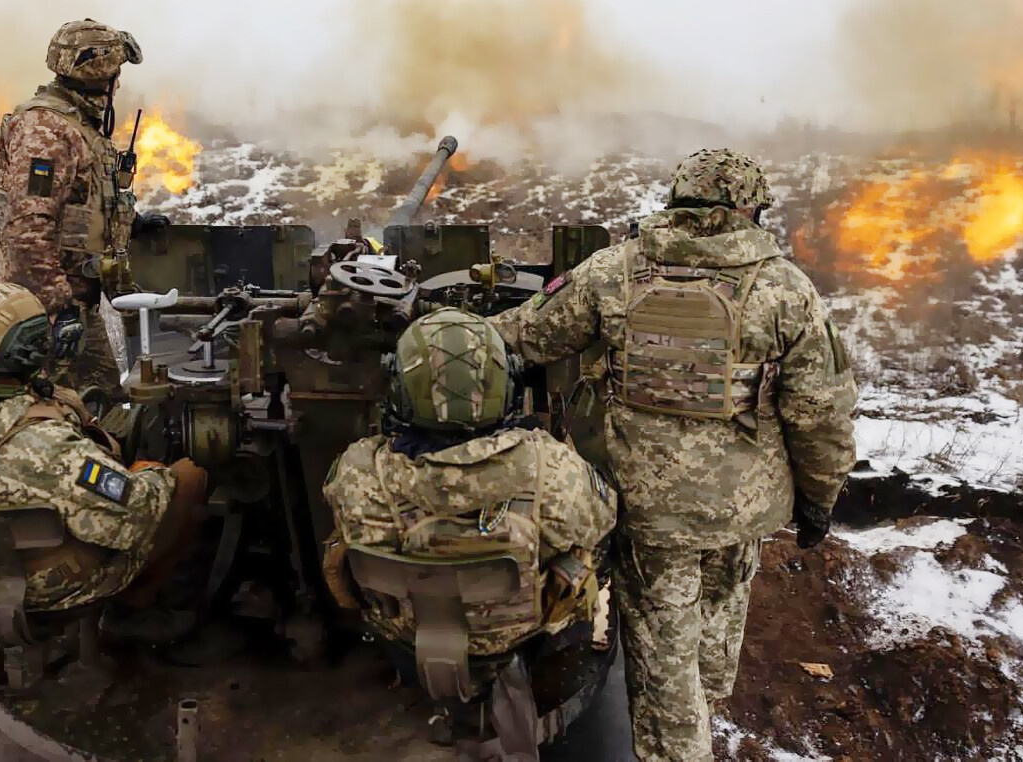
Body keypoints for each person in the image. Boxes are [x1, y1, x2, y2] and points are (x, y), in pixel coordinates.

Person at [488, 148, 858, 761]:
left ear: (677, 201)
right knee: (711, 638)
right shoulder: (785, 290)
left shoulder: (615, 271)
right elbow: (822, 413)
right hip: (740, 512)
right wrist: (820, 498)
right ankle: (699, 727)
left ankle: (683, 741)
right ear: (749, 210)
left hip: (650, 514)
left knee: (665, 665)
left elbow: (526, 335)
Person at [322, 307, 616, 758]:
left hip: (405, 634)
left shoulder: (358, 474)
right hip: (521, 638)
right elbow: (604, 517)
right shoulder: (554, 472)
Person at [0, 282, 206, 623]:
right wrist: (151, 471)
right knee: (192, 474)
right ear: (29, 351)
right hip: (47, 588)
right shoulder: (48, 451)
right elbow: (139, 515)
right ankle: (141, 599)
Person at [0, 18, 169, 397]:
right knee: (63, 409)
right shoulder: (46, 131)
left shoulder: (76, 124)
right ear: (99, 75)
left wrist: (130, 223)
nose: (118, 84)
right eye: (116, 74)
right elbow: (27, 230)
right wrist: (59, 310)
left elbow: (79, 201)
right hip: (47, 309)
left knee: (100, 401)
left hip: (74, 302)